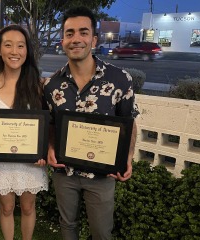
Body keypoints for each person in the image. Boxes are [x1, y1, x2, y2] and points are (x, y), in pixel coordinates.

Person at [42, 6, 139, 240]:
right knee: (67, 225)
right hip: (65, 171)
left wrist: (127, 156)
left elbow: (129, 122)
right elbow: (51, 124)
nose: (76, 39)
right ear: (63, 40)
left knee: (101, 232)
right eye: (69, 33)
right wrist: (51, 147)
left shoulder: (119, 79)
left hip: (102, 174)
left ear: (94, 39)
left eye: (83, 32)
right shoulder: (51, 84)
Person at [0, 25, 48, 240]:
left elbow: (45, 125)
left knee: (28, 207)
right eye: (8, 45)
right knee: (6, 208)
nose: (14, 51)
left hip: (30, 161)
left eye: (20, 45)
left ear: (27, 51)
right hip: (0, 160)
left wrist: (43, 152)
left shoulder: (38, 86)